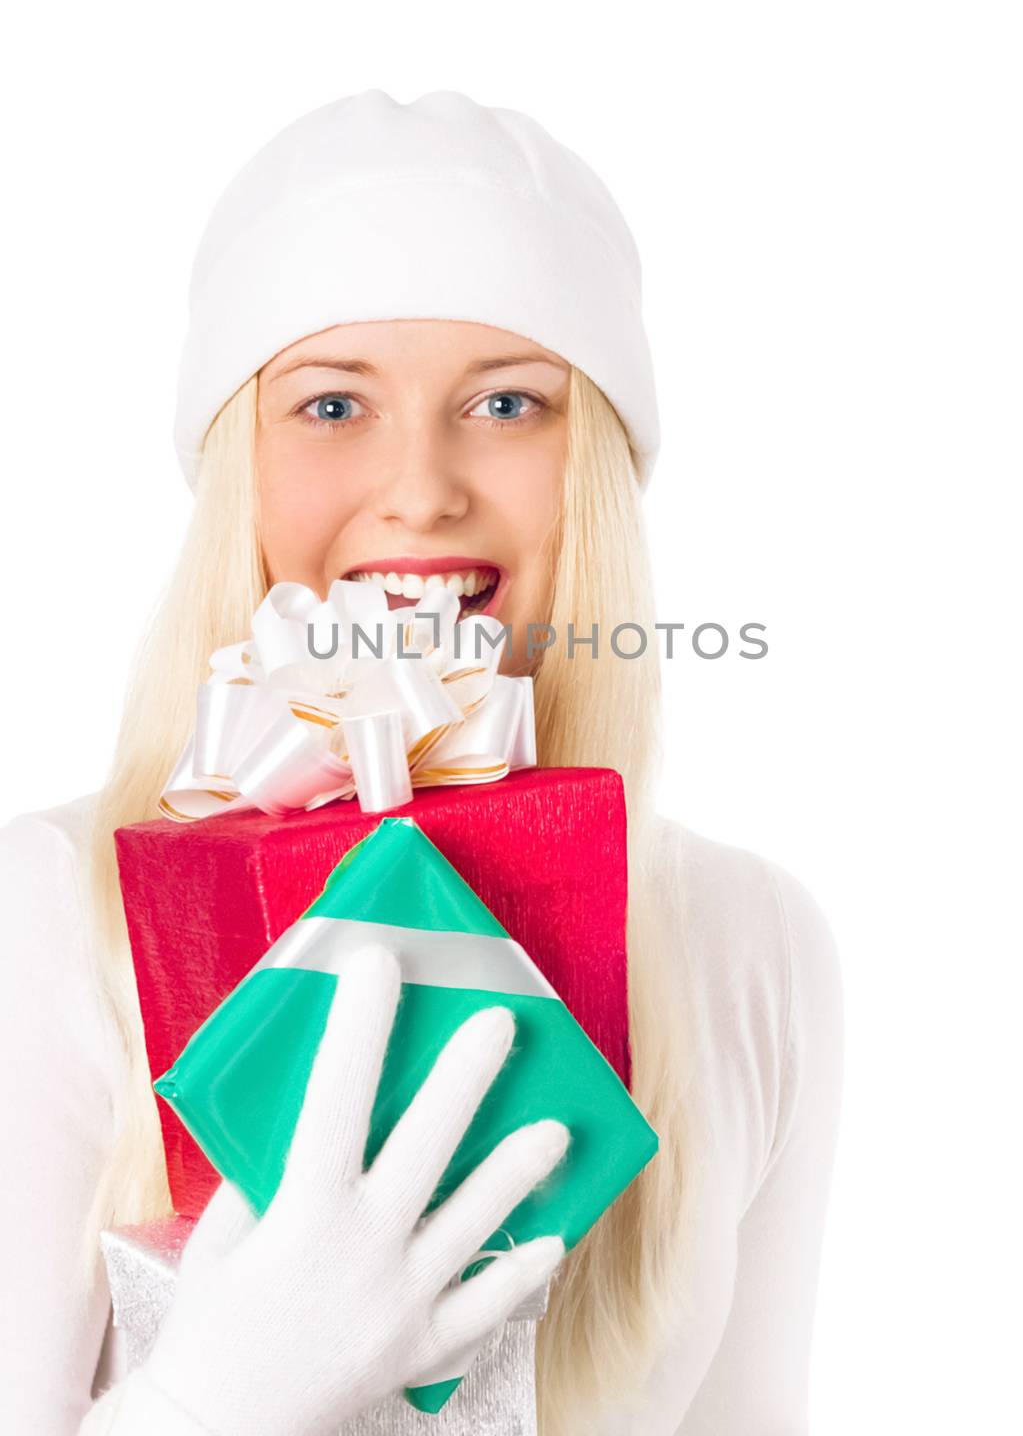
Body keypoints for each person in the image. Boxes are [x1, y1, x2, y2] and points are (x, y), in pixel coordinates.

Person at [0, 89, 844, 1436]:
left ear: (597, 467)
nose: (423, 488)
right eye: (332, 405)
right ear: (239, 469)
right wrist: (215, 1399)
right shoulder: (46, 909)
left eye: (507, 404)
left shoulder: (751, 942)